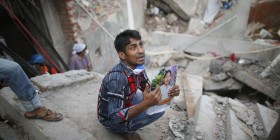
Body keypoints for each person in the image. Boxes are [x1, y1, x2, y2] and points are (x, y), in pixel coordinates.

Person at [97, 30, 180, 137]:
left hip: (126, 100)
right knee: (156, 111)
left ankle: (131, 119)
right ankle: (125, 131)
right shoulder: (117, 78)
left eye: (141, 45)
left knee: (155, 104)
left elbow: (149, 89)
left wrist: (170, 91)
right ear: (122, 54)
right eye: (133, 47)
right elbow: (114, 119)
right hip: (109, 120)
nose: (141, 50)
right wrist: (144, 104)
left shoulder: (138, 67)